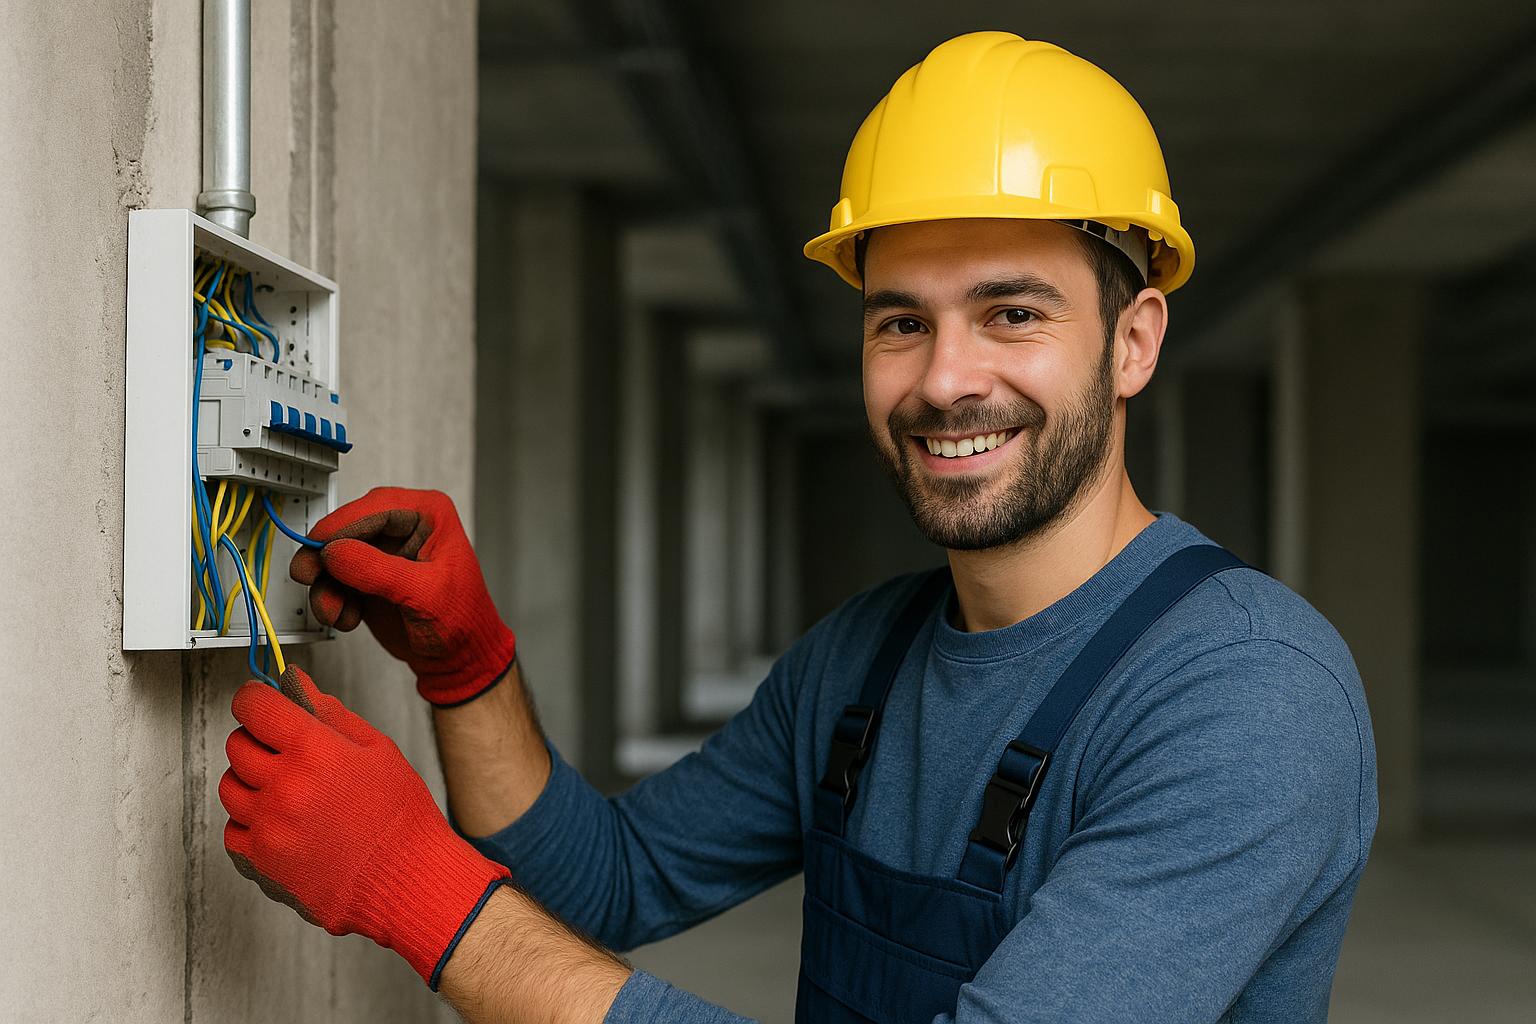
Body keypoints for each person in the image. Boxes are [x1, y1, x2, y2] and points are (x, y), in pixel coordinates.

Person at [220, 31, 1378, 1024]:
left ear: (1133, 342)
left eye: (1012, 313)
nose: (945, 379)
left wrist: (420, 892)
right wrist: (469, 670)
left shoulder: (1246, 696)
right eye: (899, 323)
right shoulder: (861, 663)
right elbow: (605, 884)